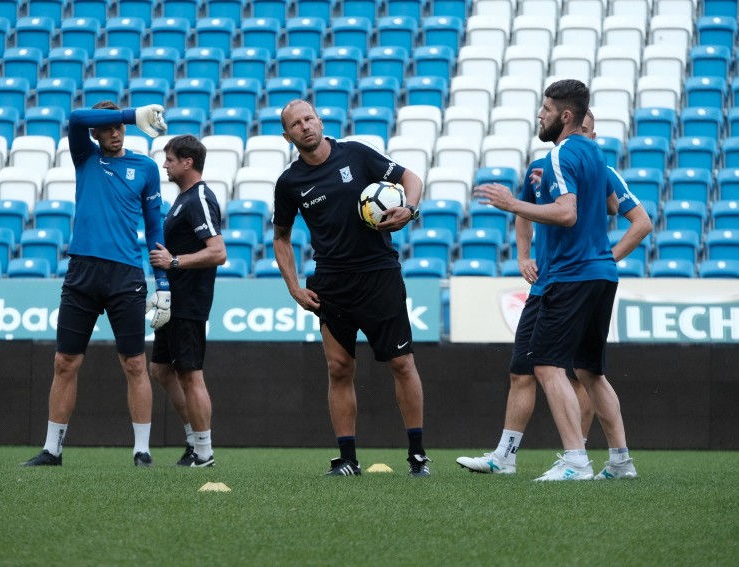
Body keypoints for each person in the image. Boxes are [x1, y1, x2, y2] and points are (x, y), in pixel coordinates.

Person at [457, 109, 651, 479]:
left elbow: (629, 218)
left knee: (571, 372)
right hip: (547, 283)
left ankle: (576, 458)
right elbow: (526, 215)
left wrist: (605, 257)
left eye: (591, 134)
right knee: (530, 370)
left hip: (572, 278)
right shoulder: (544, 166)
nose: (588, 140)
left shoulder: (592, 165)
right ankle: (507, 455)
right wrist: (524, 255)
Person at [272, 99, 432, 477]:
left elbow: (412, 178)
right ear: (287, 135)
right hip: (331, 282)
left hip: (379, 274)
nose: (305, 126)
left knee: (401, 362)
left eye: (309, 118)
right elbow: (281, 237)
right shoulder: (290, 182)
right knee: (339, 368)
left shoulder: (357, 155)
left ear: (320, 119)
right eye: (296, 124)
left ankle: (417, 455)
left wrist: (409, 208)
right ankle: (347, 460)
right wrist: (294, 288)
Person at [22, 101, 168, 468]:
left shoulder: (146, 168)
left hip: (126, 276)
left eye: (121, 127)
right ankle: (52, 450)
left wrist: (163, 283)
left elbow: (154, 229)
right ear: (97, 132)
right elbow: (75, 118)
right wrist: (130, 114)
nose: (116, 132)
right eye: (109, 126)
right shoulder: (84, 155)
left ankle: (142, 451)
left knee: (135, 363)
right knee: (64, 362)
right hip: (82, 273)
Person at [147, 135, 226, 468]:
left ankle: (204, 453)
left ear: (187, 162)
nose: (165, 164)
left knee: (191, 374)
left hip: (189, 302)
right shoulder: (182, 200)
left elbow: (218, 252)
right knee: (162, 370)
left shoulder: (200, 198)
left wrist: (174, 262)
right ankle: (194, 441)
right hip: (172, 302)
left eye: (169, 159)